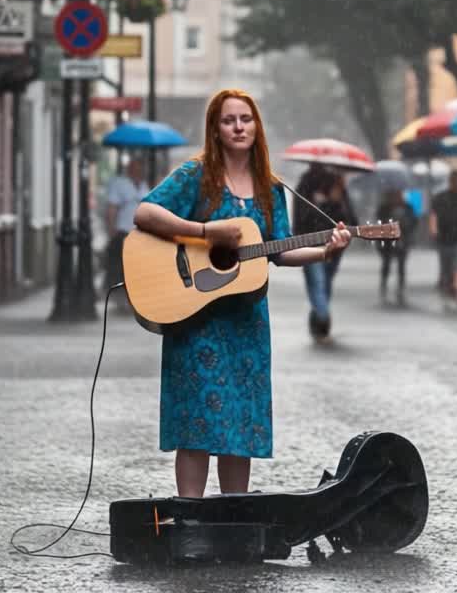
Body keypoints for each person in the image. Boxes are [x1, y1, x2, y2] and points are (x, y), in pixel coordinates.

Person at [133, 89, 351, 498]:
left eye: (245, 119)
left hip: (246, 324)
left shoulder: (271, 189)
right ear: (215, 128)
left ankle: (234, 521)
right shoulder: (195, 176)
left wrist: (326, 250)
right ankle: (189, 518)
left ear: (257, 127)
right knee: (195, 425)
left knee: (240, 425)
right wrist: (205, 231)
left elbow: (281, 251)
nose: (238, 127)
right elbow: (144, 212)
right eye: (228, 120)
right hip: (195, 320)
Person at [294, 163, 355, 342]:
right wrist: (322, 203)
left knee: (323, 284)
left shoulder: (337, 185)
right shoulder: (305, 185)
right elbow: (302, 217)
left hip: (333, 246)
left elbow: (350, 219)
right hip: (310, 244)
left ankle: (318, 322)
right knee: (319, 284)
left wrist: (335, 201)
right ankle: (322, 324)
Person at [103, 157, 149, 296]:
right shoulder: (120, 184)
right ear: (129, 169)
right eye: (135, 167)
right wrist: (111, 230)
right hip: (123, 232)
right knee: (121, 267)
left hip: (141, 234)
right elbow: (111, 208)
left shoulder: (144, 185)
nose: (138, 170)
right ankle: (120, 297)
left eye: (140, 168)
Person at [430, 170, 457, 309]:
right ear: (450, 181)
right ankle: (448, 287)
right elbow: (434, 215)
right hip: (444, 237)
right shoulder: (440, 198)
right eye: (453, 179)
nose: (455, 182)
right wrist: (434, 230)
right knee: (447, 267)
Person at [375, 187, 417, 305]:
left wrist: (405, 227)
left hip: (403, 240)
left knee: (401, 265)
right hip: (388, 241)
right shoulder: (385, 208)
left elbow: (414, 221)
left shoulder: (407, 207)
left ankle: (400, 288)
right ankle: (384, 285)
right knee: (386, 263)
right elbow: (380, 222)